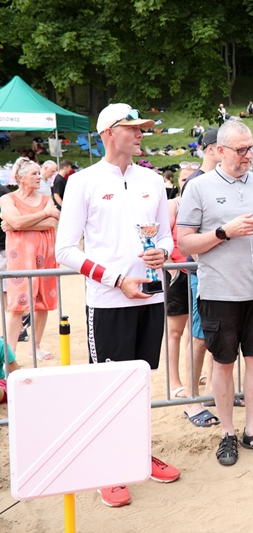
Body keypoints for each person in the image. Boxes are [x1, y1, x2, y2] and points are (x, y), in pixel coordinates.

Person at [55, 103, 180, 508]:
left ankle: (138, 454)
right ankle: (107, 468)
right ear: (109, 133)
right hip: (108, 300)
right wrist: (115, 279)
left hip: (150, 295)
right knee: (108, 387)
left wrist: (162, 252)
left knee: (139, 383)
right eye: (133, 128)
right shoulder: (83, 182)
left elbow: (164, 236)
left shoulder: (153, 180)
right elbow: (64, 250)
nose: (141, 133)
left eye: (142, 127)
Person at [177, 119, 253, 467]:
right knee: (223, 364)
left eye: (251, 148)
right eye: (240, 150)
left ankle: (252, 431)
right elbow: (184, 242)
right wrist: (223, 232)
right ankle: (227, 433)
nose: (248, 155)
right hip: (219, 292)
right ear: (219, 151)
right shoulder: (198, 187)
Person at [165, 169, 218, 427]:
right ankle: (184, 391)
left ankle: (209, 390)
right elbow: (169, 238)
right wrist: (171, 268)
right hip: (186, 272)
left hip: (203, 273)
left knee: (208, 336)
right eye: (183, 179)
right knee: (186, 335)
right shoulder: (178, 203)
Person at [0, 158, 59, 361]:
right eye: (34, 173)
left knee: (42, 303)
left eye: (39, 173)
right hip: (21, 258)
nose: (39, 177)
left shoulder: (45, 198)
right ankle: (9, 357)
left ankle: (36, 347)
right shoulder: (8, 199)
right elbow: (15, 221)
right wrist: (43, 214)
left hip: (46, 257)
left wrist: (17, 225)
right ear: (20, 177)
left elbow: (51, 223)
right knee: (17, 304)